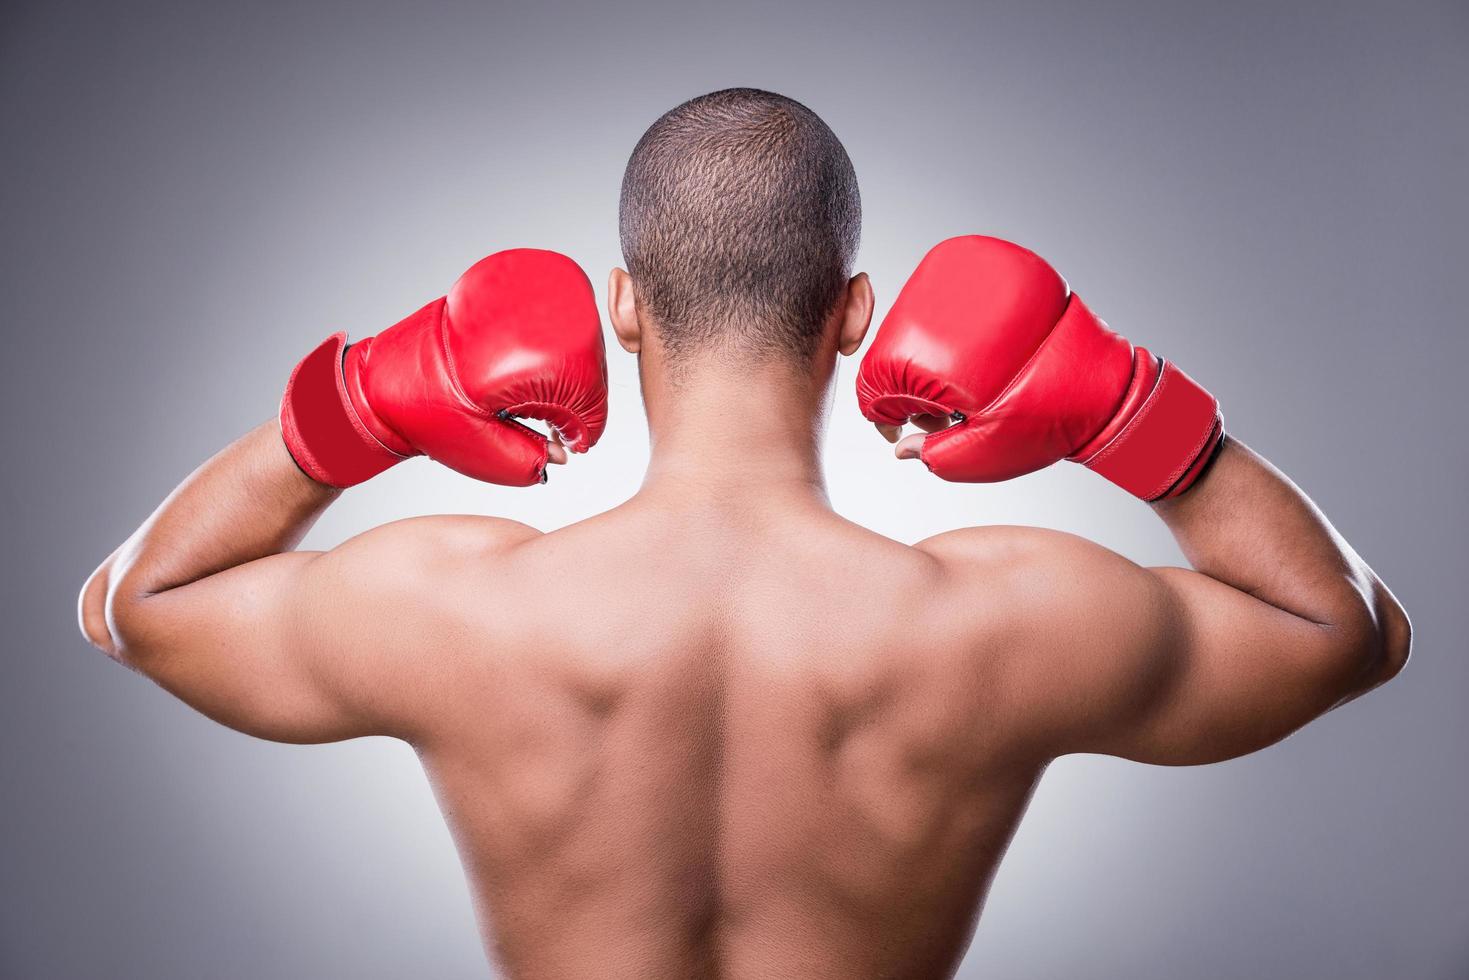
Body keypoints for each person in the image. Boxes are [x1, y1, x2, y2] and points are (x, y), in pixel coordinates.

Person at [77, 88, 1410, 979]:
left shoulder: (455, 599)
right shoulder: (997, 617)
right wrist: (1128, 412)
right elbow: (1345, 634)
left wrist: (356, 408)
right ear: (854, 311)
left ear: (620, 306)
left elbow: (135, 602)